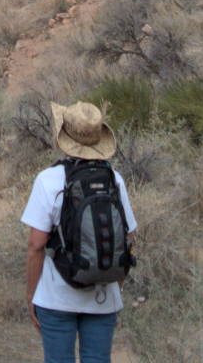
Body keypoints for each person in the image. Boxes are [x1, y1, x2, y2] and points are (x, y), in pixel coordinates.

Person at [21, 101, 138, 363]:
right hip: (102, 298)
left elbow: (36, 245)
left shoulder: (48, 180)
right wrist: (110, 281)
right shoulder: (114, 180)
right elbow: (127, 239)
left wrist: (32, 296)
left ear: (65, 139)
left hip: (56, 299)